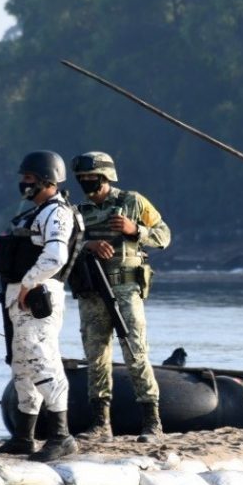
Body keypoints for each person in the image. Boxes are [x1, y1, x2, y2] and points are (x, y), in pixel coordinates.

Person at [0, 151, 83, 461]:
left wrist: (29, 283)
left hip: (38, 293)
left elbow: (56, 256)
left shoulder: (56, 213)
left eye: (28, 179)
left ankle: (60, 435)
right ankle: (23, 436)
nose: (23, 184)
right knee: (21, 364)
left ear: (46, 180)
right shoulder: (38, 212)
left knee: (42, 361)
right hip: (22, 293)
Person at [71, 151, 171, 442]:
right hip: (92, 291)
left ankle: (152, 423)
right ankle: (100, 424)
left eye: (91, 178)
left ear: (105, 177)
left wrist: (135, 229)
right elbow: (61, 247)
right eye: (82, 179)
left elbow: (164, 236)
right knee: (96, 357)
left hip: (126, 289)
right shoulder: (76, 212)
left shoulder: (133, 202)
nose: (86, 184)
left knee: (136, 353)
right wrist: (87, 245)